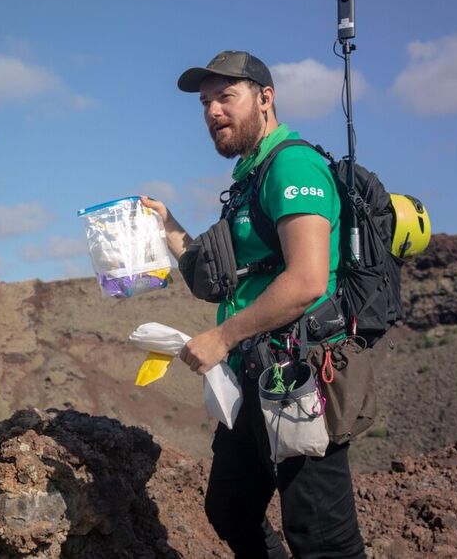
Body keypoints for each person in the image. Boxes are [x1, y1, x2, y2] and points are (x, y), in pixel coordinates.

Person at [141, 51, 366, 559]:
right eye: (205, 102)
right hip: (252, 375)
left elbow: (307, 280)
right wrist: (169, 225)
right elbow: (218, 275)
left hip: (298, 378)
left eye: (226, 97)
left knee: (322, 539)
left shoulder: (292, 164)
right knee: (230, 508)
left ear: (266, 98)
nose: (213, 112)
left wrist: (220, 338)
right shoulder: (251, 175)